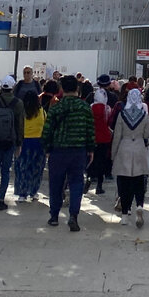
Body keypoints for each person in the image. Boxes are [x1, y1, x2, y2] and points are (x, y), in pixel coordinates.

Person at [42, 74, 95, 232]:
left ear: (62, 89)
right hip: (78, 151)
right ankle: (73, 215)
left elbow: (47, 130)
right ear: (77, 89)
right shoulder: (85, 108)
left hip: (58, 151)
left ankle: (54, 215)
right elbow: (90, 130)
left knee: (56, 184)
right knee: (77, 183)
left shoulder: (56, 107)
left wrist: (46, 149)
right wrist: (91, 149)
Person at [0, 74, 24, 212]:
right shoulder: (18, 103)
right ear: (13, 87)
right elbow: (20, 125)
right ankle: (1, 199)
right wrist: (19, 143)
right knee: (6, 171)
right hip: (10, 141)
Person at [110, 86, 149, 227]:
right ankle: (139, 204)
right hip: (139, 148)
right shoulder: (145, 115)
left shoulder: (122, 114)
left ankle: (125, 215)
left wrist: (113, 154)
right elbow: (146, 135)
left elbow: (117, 136)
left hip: (124, 148)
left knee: (124, 183)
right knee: (139, 181)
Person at [14, 87, 46, 202]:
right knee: (37, 168)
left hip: (24, 142)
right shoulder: (41, 111)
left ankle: (22, 193)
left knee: (22, 168)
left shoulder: (21, 111)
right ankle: (34, 192)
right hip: (38, 142)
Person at [88, 87, 113, 195]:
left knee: (91, 159)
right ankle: (99, 185)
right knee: (102, 161)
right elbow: (109, 122)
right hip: (104, 137)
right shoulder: (107, 109)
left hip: (93, 136)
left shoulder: (90, 107)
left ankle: (89, 178)